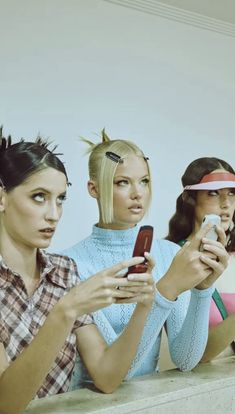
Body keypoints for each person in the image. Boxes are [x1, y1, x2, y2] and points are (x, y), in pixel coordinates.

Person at [0, 127, 158, 414]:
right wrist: (65, 311)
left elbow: (107, 378)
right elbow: (6, 403)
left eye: (60, 199)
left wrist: (144, 306)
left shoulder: (64, 272)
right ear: (2, 197)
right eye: (39, 197)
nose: (54, 213)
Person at [62, 130, 228, 389]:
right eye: (122, 183)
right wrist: (166, 289)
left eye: (144, 181)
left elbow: (185, 360)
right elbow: (119, 373)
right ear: (93, 189)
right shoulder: (69, 265)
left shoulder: (169, 254)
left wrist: (202, 292)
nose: (137, 193)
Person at [166, 156, 235, 362]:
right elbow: (190, 357)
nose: (226, 204)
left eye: (232, 193)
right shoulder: (173, 258)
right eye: (213, 193)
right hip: (201, 387)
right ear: (190, 198)